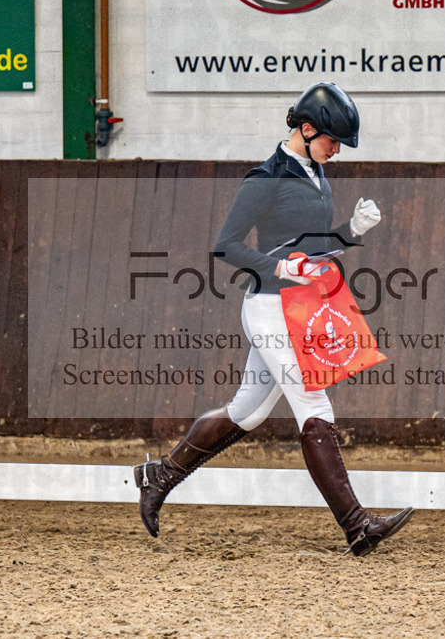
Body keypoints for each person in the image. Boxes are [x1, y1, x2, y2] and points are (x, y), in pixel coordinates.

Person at [135, 83, 414, 557]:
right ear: (306, 129)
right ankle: (357, 526)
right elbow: (228, 245)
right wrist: (281, 267)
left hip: (297, 308)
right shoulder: (264, 179)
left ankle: (159, 475)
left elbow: (311, 243)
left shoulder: (314, 172)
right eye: (332, 140)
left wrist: (351, 232)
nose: (337, 150)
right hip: (271, 305)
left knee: (248, 411)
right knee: (312, 401)